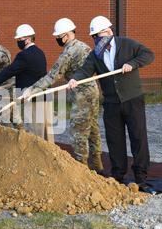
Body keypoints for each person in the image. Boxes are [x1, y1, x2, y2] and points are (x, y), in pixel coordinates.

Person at [68, 16, 156, 194]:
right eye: (94, 37)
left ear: (108, 32)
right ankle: (118, 175)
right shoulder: (96, 54)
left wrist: (132, 63)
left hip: (132, 99)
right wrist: (75, 79)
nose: (96, 40)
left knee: (138, 137)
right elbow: (86, 69)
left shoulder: (127, 44)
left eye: (98, 36)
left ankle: (141, 177)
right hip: (111, 103)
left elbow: (148, 55)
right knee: (115, 140)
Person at [22, 18, 103, 172]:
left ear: (65, 35)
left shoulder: (69, 52)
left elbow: (52, 75)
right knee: (92, 126)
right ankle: (97, 163)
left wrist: (32, 89)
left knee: (78, 130)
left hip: (82, 95)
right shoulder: (84, 46)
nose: (57, 39)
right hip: (93, 90)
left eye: (58, 37)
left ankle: (81, 167)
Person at [0, 24, 47, 137]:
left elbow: (10, 70)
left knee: (34, 133)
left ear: (28, 39)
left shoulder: (24, 55)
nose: (18, 42)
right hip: (42, 95)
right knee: (42, 131)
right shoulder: (40, 52)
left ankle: (34, 153)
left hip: (30, 97)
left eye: (20, 39)